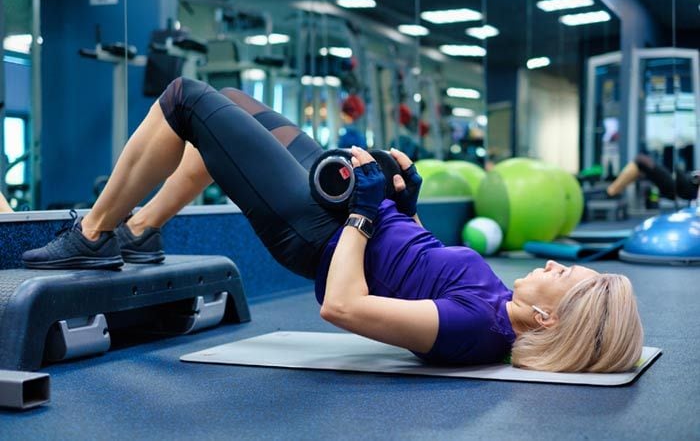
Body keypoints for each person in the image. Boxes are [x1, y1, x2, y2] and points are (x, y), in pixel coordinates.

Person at [22, 77, 643, 372]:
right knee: (230, 112)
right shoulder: (494, 300)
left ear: (550, 319)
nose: (558, 263)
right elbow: (408, 268)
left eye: (568, 276)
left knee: (185, 100)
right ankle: (143, 229)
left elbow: (345, 304)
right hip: (345, 218)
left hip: (316, 234)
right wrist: (404, 201)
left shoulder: (475, 327)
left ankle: (98, 233)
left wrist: (367, 214)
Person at [602, 153, 700, 201]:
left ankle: (611, 191)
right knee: (641, 163)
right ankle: (613, 191)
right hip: (681, 182)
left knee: (641, 161)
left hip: (680, 188)